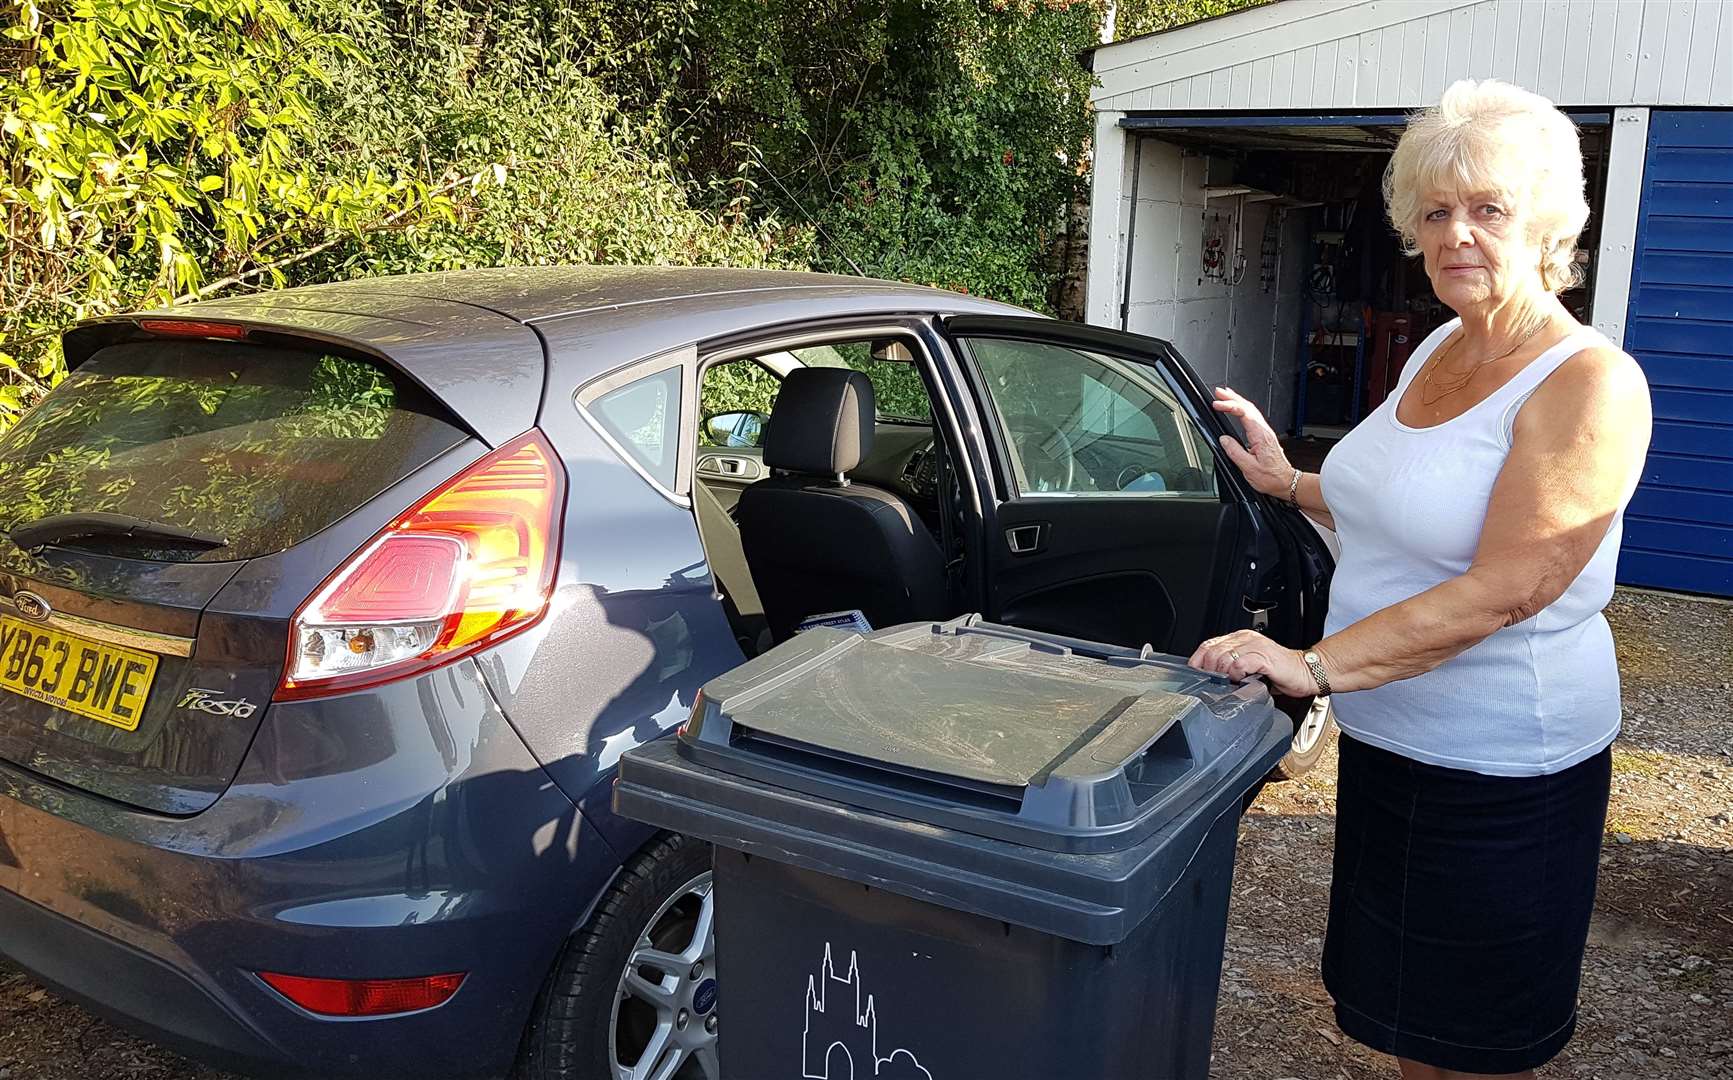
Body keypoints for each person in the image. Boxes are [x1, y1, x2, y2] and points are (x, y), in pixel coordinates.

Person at [1189, 80, 1652, 1080]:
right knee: (1403, 1031)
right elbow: (1413, 502)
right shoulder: (1444, 344)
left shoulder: (1586, 382)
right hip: (1396, 750)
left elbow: (1508, 585)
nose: (1457, 236)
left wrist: (1310, 663)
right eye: (1436, 212)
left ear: (1546, 226)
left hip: (1499, 777)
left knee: (1471, 1049)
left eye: (1487, 209)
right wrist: (1293, 482)